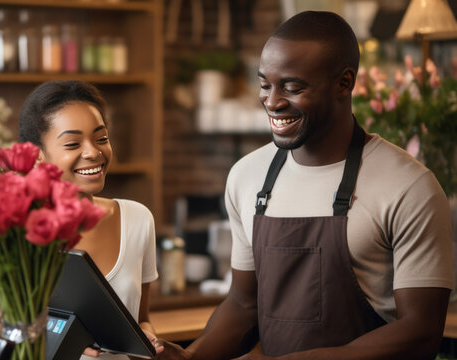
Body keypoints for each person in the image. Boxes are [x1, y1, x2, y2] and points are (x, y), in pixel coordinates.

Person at [157, 11, 453, 360]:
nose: (272, 101)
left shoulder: (409, 187)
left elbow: (420, 332)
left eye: (293, 87)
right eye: (265, 84)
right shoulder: (246, 176)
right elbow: (243, 304)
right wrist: (191, 358)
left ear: (344, 83)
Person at [0, 80, 163, 358]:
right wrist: (52, 330)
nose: (93, 152)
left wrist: (147, 335)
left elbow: (141, 319)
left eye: (101, 138)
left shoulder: (137, 219)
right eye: (73, 143)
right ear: (37, 155)